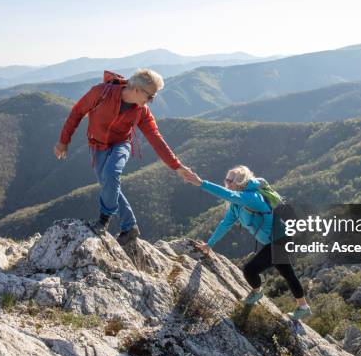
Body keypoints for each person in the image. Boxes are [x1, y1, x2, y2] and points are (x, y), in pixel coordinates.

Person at [54, 68, 195, 245]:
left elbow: (155, 138)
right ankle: (130, 227)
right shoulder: (101, 93)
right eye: (150, 96)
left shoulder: (141, 111)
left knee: (111, 174)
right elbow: (77, 112)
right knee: (109, 185)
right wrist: (63, 141)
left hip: (121, 144)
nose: (151, 101)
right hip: (96, 146)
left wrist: (177, 166)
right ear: (136, 90)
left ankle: (103, 220)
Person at [188, 165, 312, 320]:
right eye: (226, 179)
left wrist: (201, 183)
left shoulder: (252, 197)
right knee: (287, 273)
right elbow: (225, 224)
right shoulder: (236, 205)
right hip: (274, 239)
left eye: (229, 180)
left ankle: (257, 291)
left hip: (280, 238)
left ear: (239, 181)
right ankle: (304, 307)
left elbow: (227, 194)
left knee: (250, 270)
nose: (226, 183)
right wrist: (209, 244)